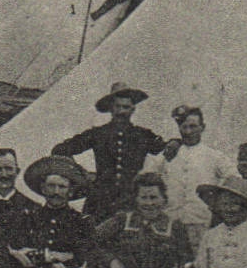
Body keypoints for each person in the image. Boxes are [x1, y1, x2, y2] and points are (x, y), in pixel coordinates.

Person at [52, 82, 170, 225]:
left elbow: (164, 149)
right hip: (100, 200)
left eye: (125, 107)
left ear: (133, 109)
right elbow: (60, 150)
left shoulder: (142, 135)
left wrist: (175, 142)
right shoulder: (98, 133)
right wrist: (82, 174)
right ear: (110, 109)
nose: (121, 112)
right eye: (117, 107)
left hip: (131, 201)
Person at [147, 104, 233, 251]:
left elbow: (232, 178)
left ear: (202, 127)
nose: (188, 131)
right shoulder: (167, 155)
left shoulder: (214, 156)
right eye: (184, 127)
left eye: (193, 126)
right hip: (170, 222)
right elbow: (147, 178)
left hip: (200, 222)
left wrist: (217, 205)